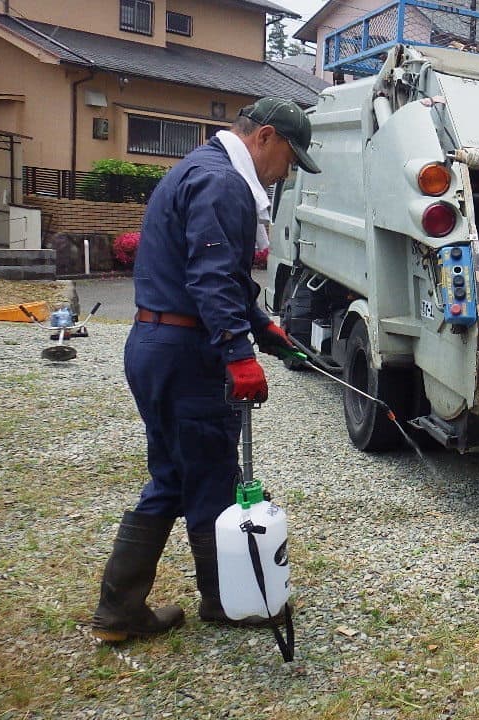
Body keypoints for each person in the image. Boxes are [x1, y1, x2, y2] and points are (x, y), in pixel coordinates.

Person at [89, 97, 321, 642]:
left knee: (173, 474)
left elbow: (222, 278)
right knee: (212, 473)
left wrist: (264, 329)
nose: (287, 171)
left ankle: (118, 612)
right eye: (290, 157)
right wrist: (238, 353)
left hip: (157, 341)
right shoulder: (222, 182)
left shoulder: (197, 169)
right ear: (265, 137)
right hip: (187, 351)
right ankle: (226, 602)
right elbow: (212, 278)